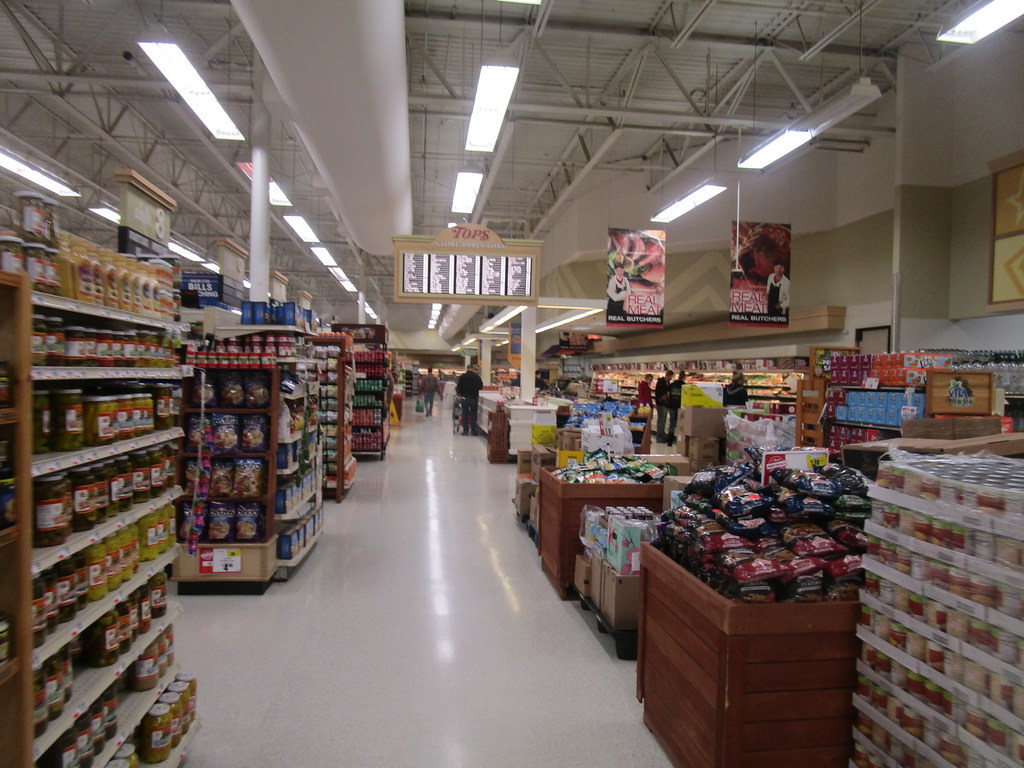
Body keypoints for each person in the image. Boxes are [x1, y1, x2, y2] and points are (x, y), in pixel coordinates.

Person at [455, 364, 484, 435]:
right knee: (474, 414)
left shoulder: (462, 377)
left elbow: (458, 387)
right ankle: (473, 431)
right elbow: (480, 387)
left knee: (465, 414)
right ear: (473, 369)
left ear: (467, 369)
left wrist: (460, 394)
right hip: (474, 398)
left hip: (464, 398)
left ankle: (465, 430)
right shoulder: (477, 377)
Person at [654, 369, 675, 442]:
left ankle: (662, 435)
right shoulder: (661, 382)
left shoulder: (667, 383)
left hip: (665, 404)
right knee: (661, 420)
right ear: (668, 375)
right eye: (671, 377)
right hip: (661, 404)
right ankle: (659, 437)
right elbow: (659, 393)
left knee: (663, 420)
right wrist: (666, 395)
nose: (671, 378)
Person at [664, 371, 684, 447]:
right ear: (684, 377)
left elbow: (667, 392)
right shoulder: (684, 385)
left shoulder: (672, 384)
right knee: (680, 424)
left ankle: (670, 441)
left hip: (671, 406)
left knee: (672, 423)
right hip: (680, 407)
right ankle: (680, 441)